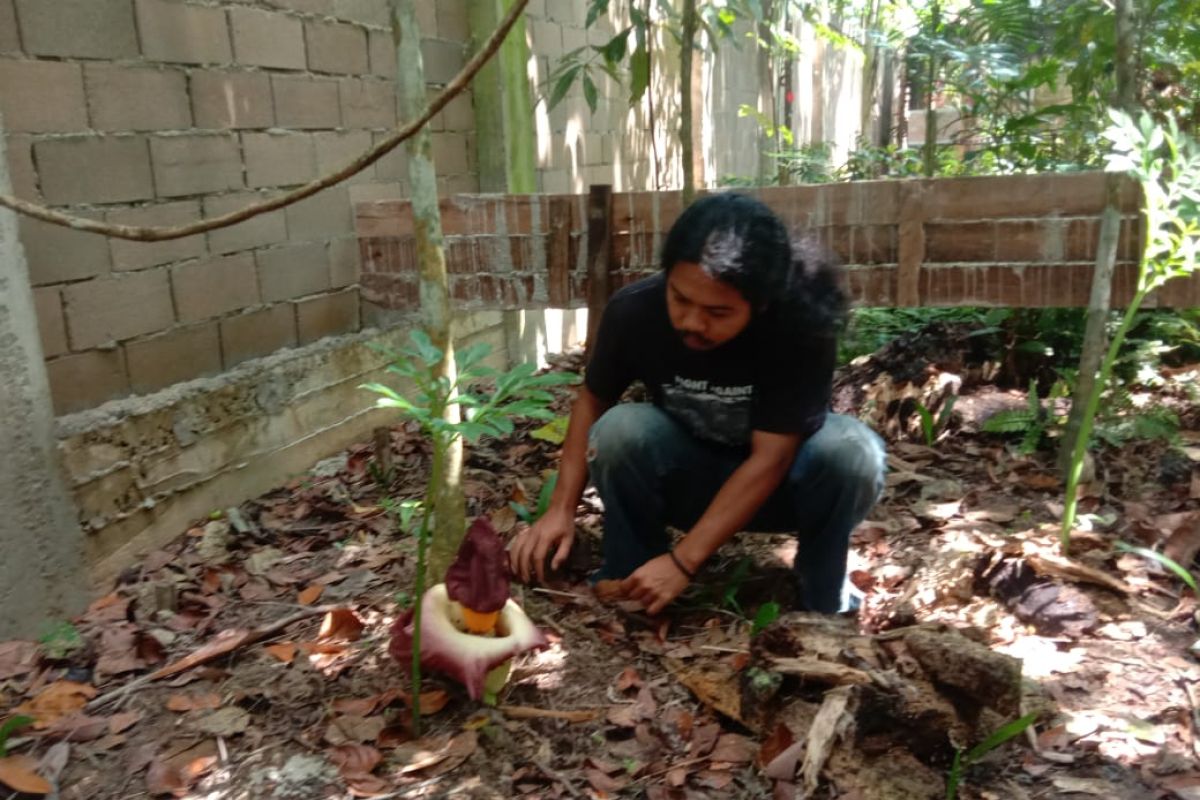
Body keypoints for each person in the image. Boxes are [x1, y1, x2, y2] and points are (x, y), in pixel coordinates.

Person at [509, 192, 885, 615]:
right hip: (687, 482)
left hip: (780, 492)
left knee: (851, 452)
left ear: (760, 304)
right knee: (620, 430)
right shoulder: (633, 313)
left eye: (718, 312)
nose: (691, 322)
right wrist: (561, 509)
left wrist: (684, 561)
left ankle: (822, 599)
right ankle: (632, 579)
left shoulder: (799, 327)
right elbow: (592, 400)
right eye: (680, 299)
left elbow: (772, 459)